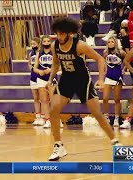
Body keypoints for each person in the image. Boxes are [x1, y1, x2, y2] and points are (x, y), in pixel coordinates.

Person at [47, 17, 121, 161]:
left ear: (69, 33)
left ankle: (115, 142)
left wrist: (100, 79)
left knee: (97, 114)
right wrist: (50, 78)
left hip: (82, 80)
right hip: (66, 79)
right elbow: (56, 64)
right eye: (57, 33)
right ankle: (58, 145)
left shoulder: (79, 45)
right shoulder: (54, 46)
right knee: (53, 110)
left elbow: (100, 59)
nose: (59, 36)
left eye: (62, 33)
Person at [102, 37, 126, 127]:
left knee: (116, 99)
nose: (110, 43)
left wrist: (125, 69)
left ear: (115, 43)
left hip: (117, 77)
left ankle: (116, 118)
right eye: (109, 42)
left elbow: (128, 60)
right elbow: (103, 62)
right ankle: (106, 117)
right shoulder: (105, 53)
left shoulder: (121, 52)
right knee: (105, 98)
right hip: (108, 76)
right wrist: (104, 69)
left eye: (112, 42)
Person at [29, 37, 43, 125]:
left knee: (43, 98)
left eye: (34, 44)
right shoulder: (31, 53)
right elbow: (29, 64)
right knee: (35, 98)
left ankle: (44, 116)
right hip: (33, 77)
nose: (32, 46)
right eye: (31, 44)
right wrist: (31, 68)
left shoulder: (42, 53)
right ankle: (37, 117)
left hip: (41, 76)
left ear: (38, 44)